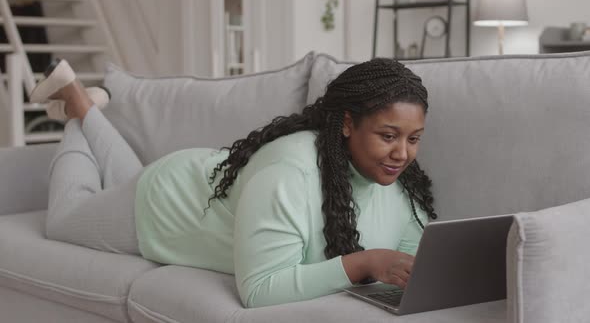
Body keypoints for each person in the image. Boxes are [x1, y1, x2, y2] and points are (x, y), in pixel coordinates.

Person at [34, 57, 437, 309]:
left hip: (200, 178)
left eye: (413, 139)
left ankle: (84, 107)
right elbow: (259, 290)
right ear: (347, 124)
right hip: (165, 205)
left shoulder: (402, 188)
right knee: (63, 219)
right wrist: (362, 263)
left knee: (122, 176)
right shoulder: (290, 175)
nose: (402, 153)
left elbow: (412, 263)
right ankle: (77, 109)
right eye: (388, 136)